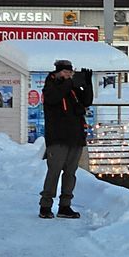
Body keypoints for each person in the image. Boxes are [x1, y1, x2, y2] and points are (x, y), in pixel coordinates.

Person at [40, 59, 94, 218]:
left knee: (70, 173)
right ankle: (45, 205)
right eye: (65, 72)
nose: (68, 75)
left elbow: (87, 101)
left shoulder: (72, 88)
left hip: (75, 136)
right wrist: (69, 83)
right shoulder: (50, 86)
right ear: (57, 72)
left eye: (70, 73)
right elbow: (53, 98)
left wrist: (87, 84)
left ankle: (65, 206)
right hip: (57, 137)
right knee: (54, 172)